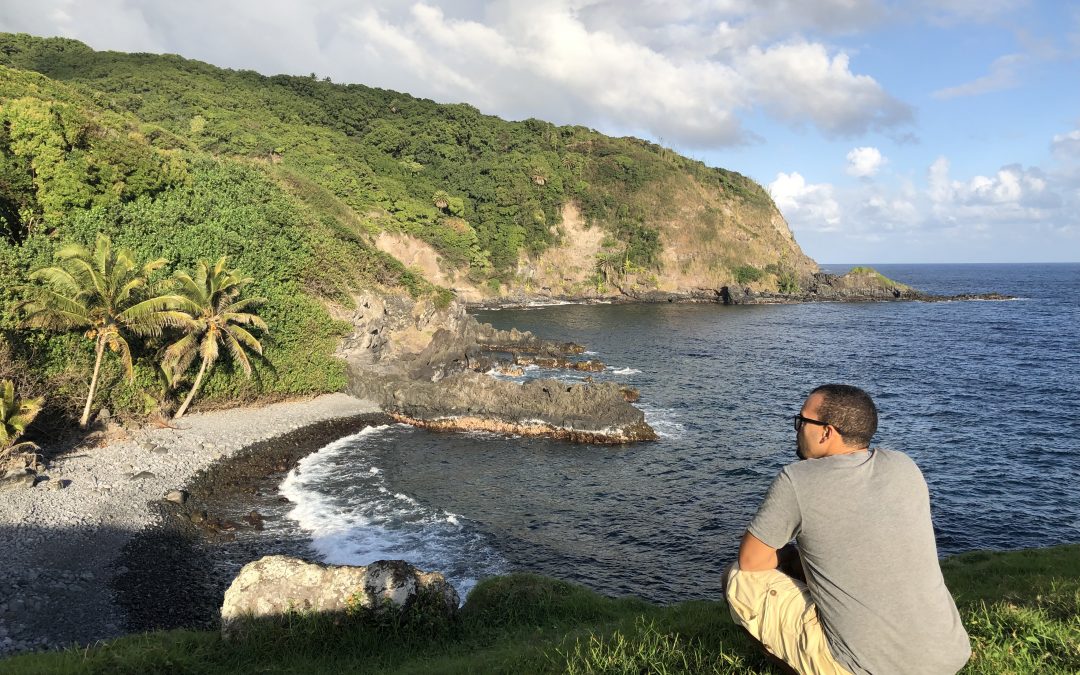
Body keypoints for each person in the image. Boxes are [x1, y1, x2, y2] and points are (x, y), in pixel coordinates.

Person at [725, 384, 971, 675]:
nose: (798, 428)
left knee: (738, 578)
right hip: (948, 656)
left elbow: (752, 561)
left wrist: (783, 557)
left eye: (802, 421)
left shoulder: (798, 479)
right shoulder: (904, 465)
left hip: (865, 669)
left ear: (826, 432)